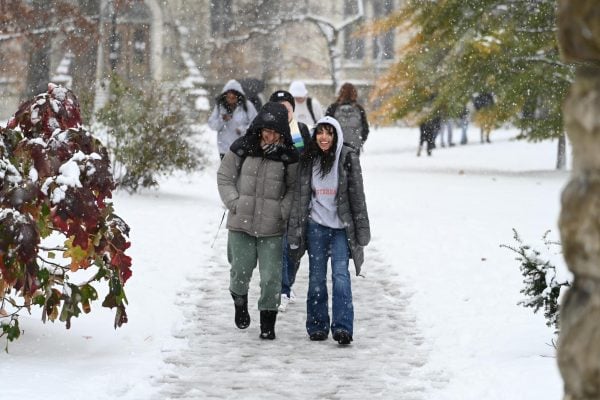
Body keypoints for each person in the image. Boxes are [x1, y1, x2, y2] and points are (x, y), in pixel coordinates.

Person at [217, 102, 299, 340]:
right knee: (240, 272)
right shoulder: (242, 147)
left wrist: (282, 211)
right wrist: (235, 202)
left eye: (275, 132)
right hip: (241, 223)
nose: (270, 136)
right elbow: (224, 177)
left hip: (272, 227)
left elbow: (294, 189)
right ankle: (240, 301)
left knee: (271, 278)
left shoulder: (289, 157)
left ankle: (267, 322)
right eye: (266, 130)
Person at [287, 116, 371, 345]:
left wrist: (362, 227)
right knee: (316, 277)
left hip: (341, 229)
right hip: (316, 226)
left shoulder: (347, 158)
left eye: (329, 133)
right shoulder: (308, 159)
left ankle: (343, 328)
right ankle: (317, 325)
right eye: (320, 133)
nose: (324, 137)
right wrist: (295, 227)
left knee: (341, 277)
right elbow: (300, 197)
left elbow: (357, 196)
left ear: (336, 136)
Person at [267, 90, 312, 312]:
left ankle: (288, 282)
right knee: (281, 246)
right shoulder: (266, 132)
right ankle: (282, 289)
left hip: (298, 196)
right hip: (275, 196)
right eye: (279, 108)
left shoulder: (301, 131)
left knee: (296, 248)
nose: (284, 112)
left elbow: (309, 160)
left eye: (288, 108)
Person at [208, 79, 257, 159]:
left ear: (238, 96)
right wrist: (222, 120)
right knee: (227, 171)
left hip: (242, 148)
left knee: (241, 171)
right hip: (224, 149)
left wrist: (242, 130)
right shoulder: (220, 107)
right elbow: (212, 125)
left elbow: (255, 123)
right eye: (229, 97)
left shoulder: (247, 106)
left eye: (233, 98)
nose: (231, 100)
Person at [325, 82, 370, 155]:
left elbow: (326, 127)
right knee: (353, 165)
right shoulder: (359, 108)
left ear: (340, 93)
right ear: (355, 93)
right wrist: (360, 142)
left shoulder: (333, 108)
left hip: (337, 146)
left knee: (336, 165)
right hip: (354, 146)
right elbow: (365, 129)